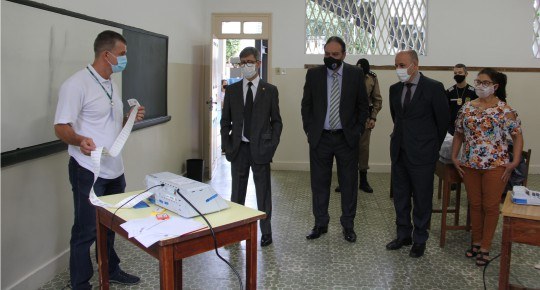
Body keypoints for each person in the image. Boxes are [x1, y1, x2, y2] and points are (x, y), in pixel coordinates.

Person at [54, 30, 145, 289]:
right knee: (86, 231)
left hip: (115, 169)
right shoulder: (76, 84)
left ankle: (111, 268)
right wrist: (79, 139)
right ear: (107, 55)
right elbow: (61, 127)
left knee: (110, 225)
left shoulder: (111, 85)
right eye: (122, 54)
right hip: (88, 170)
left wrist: (130, 117)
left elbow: (108, 123)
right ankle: (80, 284)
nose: (125, 59)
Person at [451, 68, 523, 266]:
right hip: (471, 163)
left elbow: (517, 136)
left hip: (496, 165)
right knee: (474, 204)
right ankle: (476, 240)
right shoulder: (467, 108)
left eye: (485, 82)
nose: (480, 86)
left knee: (490, 206)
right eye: (478, 82)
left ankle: (485, 246)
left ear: (495, 86)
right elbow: (458, 133)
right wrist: (454, 156)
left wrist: (515, 161)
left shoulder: (505, 110)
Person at [301, 36, 369, 243]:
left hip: (346, 139)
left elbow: (363, 107)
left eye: (335, 55)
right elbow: (306, 106)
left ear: (344, 55)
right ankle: (320, 223)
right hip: (320, 139)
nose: (331, 58)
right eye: (327, 54)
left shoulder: (355, 74)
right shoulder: (313, 74)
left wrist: (356, 131)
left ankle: (348, 225)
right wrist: (310, 131)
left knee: (348, 184)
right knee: (319, 183)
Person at [386, 50, 449, 258]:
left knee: (422, 198)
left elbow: (442, 123)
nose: (399, 69)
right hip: (399, 153)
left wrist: (432, 148)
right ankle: (403, 234)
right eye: (396, 65)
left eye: (402, 65)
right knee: (401, 197)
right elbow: (398, 119)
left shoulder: (433, 88)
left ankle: (420, 238)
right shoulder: (394, 89)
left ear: (415, 64)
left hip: (423, 154)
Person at [220, 46, 282, 247]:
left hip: (261, 150)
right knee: (237, 193)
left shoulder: (270, 90)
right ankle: (236, 231)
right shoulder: (232, 90)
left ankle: (266, 232)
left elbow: (277, 122)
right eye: (243, 62)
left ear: (258, 63)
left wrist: (271, 145)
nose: (246, 66)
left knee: (263, 193)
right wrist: (227, 146)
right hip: (238, 150)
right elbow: (225, 122)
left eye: (249, 62)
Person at [335, 58, 382, 194]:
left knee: (363, 149)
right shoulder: (347, 76)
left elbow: (377, 100)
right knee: (345, 149)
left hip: (365, 119)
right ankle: (344, 181)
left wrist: (373, 117)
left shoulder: (372, 77)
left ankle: (363, 180)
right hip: (348, 119)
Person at [445, 63, 477, 135]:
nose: (457, 75)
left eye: (460, 72)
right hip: (452, 129)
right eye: (455, 73)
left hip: (469, 127)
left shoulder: (473, 92)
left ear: (466, 74)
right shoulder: (449, 92)